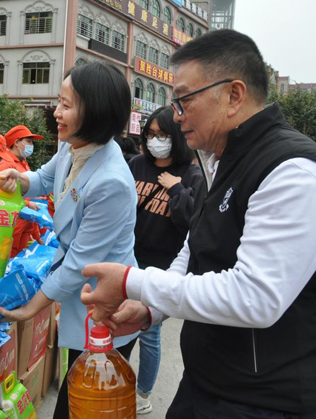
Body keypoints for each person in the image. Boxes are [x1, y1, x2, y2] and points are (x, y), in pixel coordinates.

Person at [79, 29, 316, 418]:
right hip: (206, 382)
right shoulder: (218, 161)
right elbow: (193, 251)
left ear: (234, 95)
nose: (177, 114)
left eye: (184, 99)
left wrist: (131, 281)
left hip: (264, 401)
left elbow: (256, 297)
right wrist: (150, 308)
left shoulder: (290, 171)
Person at [0, 61, 139, 419]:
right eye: (59, 102)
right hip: (81, 295)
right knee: (74, 392)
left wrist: (31, 309)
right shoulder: (73, 146)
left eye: (66, 104)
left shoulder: (111, 181)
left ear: (95, 112)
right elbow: (45, 179)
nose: (56, 113)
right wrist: (19, 179)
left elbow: (78, 263)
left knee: (88, 404)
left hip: (106, 307)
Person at [127, 106, 203, 414]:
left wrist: (176, 189)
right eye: (150, 134)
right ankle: (115, 381)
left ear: (176, 136)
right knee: (120, 325)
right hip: (128, 259)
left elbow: (192, 222)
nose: (155, 140)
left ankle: (142, 394)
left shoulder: (192, 174)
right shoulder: (136, 165)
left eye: (162, 135)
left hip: (162, 266)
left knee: (149, 333)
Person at [0, 125, 44, 257]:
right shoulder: (6, 163)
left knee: (20, 256)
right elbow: (2, 194)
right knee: (8, 257)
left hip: (25, 220)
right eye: (28, 141)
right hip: (13, 220)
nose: (31, 145)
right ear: (16, 142)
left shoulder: (23, 163)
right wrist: (27, 203)